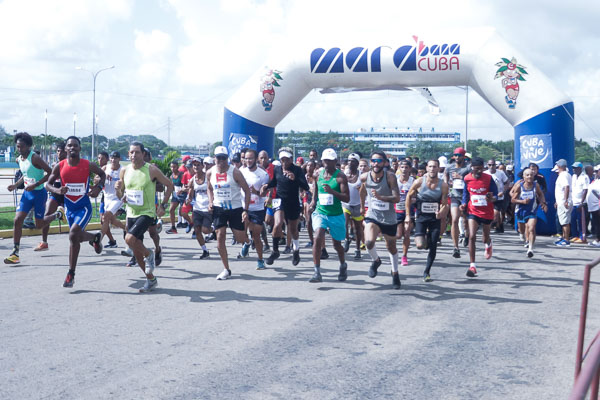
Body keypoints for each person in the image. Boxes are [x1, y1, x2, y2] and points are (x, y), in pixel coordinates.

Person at [45, 136, 106, 287]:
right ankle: (94, 238)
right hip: (69, 207)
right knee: (75, 238)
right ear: (66, 149)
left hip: (83, 207)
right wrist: (57, 190)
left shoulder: (88, 165)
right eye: (69, 146)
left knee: (73, 234)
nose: (72, 148)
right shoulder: (60, 166)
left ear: (79, 148)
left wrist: (98, 188)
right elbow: (48, 184)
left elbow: (102, 175)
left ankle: (70, 273)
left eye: (75, 146)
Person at [115, 142, 173, 292]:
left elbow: (170, 185)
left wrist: (163, 205)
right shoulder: (124, 171)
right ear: (128, 155)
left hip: (147, 213)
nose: (134, 155)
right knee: (136, 252)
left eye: (137, 152)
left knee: (129, 239)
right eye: (131, 153)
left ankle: (150, 253)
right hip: (131, 213)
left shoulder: (151, 170)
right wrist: (118, 192)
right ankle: (151, 280)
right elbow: (121, 194)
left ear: (143, 154)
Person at [5, 132, 52, 264]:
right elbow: (25, 175)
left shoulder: (35, 158)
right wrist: (15, 185)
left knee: (39, 225)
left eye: (22, 146)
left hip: (39, 194)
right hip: (27, 194)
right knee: (17, 220)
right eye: (18, 146)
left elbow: (50, 172)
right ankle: (15, 252)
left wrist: (36, 184)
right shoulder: (19, 159)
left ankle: (57, 215)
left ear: (28, 146)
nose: (19, 149)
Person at [206, 146, 252, 280]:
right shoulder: (210, 172)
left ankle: (247, 241)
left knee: (239, 239)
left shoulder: (235, 172)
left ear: (228, 158)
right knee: (220, 236)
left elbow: (247, 191)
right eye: (218, 158)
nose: (221, 160)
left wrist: (245, 210)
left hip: (235, 208)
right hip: (219, 208)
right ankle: (226, 269)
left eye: (224, 158)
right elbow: (209, 188)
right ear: (214, 158)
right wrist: (210, 201)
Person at [359, 151, 401, 289]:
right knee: (369, 242)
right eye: (373, 161)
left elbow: (397, 198)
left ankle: (395, 273)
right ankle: (376, 261)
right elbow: (362, 191)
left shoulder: (390, 177)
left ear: (384, 163)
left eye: (379, 161)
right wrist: (361, 207)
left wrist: (381, 197)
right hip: (373, 214)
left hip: (389, 217)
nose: (376, 164)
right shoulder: (365, 177)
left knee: (391, 247)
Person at [307, 148, 350, 282]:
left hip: (336, 214)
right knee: (318, 237)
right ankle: (316, 272)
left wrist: (332, 192)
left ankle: (343, 264)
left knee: (337, 245)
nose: (327, 163)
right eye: (325, 160)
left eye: (330, 161)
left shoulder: (340, 177)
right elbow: (315, 190)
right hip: (321, 212)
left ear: (335, 161)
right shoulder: (317, 175)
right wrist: (313, 202)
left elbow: (346, 198)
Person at [265, 147, 310, 266]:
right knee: (278, 223)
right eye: (282, 160)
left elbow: (305, 186)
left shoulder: (297, 170)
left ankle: (296, 250)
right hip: (279, 200)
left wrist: (295, 179)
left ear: (291, 159)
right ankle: (275, 251)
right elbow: (274, 182)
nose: (284, 162)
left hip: (293, 201)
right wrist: (266, 186)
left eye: (286, 159)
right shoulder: (277, 169)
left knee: (293, 229)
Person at [406, 159, 449, 282]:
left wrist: (441, 211)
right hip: (421, 217)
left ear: (438, 168)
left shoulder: (443, 185)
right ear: (426, 168)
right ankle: (426, 240)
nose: (432, 169)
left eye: (434, 167)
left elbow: (445, 204)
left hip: (435, 218)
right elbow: (409, 196)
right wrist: (408, 215)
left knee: (433, 245)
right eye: (430, 167)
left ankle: (427, 272)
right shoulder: (419, 182)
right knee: (420, 245)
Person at [460, 157, 498, 277]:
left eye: (481, 169)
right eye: (477, 169)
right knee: (471, 236)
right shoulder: (467, 178)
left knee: (484, 238)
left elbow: (496, 195)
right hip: (473, 211)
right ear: (472, 168)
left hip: (487, 211)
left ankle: (488, 243)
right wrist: (463, 203)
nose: (479, 172)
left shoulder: (488, 178)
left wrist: (491, 198)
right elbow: (466, 193)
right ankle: (472, 265)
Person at [239, 149, 270, 270]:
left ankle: (260, 260)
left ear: (256, 159)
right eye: (246, 158)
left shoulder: (263, 174)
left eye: (250, 158)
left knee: (256, 235)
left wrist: (256, 192)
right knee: (241, 234)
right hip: (243, 207)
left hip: (257, 208)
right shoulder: (240, 172)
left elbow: (265, 194)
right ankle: (246, 243)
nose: (248, 161)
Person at [36, 142, 68, 251]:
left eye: (63, 151)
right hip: (56, 191)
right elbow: (49, 178)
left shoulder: (70, 163)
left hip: (68, 193)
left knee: (72, 219)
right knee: (47, 214)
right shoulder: (55, 165)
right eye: (58, 151)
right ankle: (44, 242)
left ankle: (83, 238)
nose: (60, 153)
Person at [511, 168, 547, 257]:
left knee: (531, 228)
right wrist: (522, 202)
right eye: (527, 175)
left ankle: (530, 248)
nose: (529, 177)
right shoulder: (519, 186)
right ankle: (522, 234)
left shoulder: (536, 185)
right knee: (522, 229)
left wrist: (543, 203)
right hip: (520, 211)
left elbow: (541, 194)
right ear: (524, 176)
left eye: (531, 175)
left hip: (532, 210)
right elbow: (513, 199)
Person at [444, 147, 471, 259]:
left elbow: (472, 179)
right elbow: (445, 174)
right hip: (455, 196)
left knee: (466, 221)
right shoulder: (450, 167)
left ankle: (466, 235)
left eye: (459, 155)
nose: (457, 157)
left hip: (466, 196)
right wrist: (447, 184)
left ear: (464, 157)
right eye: (455, 155)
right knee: (454, 219)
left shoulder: (468, 167)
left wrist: (461, 177)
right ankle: (455, 247)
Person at [186, 157, 212, 259]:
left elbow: (213, 190)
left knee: (205, 230)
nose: (196, 167)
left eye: (198, 165)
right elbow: (191, 194)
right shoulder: (193, 179)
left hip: (207, 208)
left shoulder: (208, 177)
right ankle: (205, 250)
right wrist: (188, 199)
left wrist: (212, 202)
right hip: (197, 208)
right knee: (197, 230)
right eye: (194, 165)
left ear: (202, 166)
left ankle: (213, 229)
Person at [100, 151, 126, 247]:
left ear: (119, 159)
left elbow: (127, 184)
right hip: (107, 197)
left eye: (115, 158)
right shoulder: (105, 168)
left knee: (105, 217)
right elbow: (96, 180)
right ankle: (126, 228)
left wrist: (121, 186)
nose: (113, 160)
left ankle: (98, 240)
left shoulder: (123, 170)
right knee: (112, 221)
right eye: (112, 158)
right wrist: (101, 177)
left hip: (117, 198)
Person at [342, 153, 364, 260]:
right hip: (346, 203)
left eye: (353, 161)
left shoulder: (361, 175)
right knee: (344, 223)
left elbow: (366, 191)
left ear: (357, 163)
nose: (350, 163)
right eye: (349, 161)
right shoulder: (343, 174)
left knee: (357, 228)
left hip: (357, 205)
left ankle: (357, 249)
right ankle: (346, 240)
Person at [395, 159, 415, 266]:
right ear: (399, 168)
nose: (404, 170)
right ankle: (394, 252)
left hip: (409, 211)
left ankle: (404, 256)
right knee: (398, 235)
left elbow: (418, 195)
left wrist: (414, 200)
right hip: (397, 210)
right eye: (402, 167)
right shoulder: (395, 180)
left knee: (406, 234)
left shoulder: (413, 181)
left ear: (410, 169)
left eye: (406, 167)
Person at [485, 159, 509, 233]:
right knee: (491, 214)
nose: (491, 166)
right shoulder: (484, 173)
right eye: (489, 165)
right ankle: (499, 227)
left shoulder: (501, 173)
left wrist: (503, 192)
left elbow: (507, 183)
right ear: (487, 165)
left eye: (493, 165)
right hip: (488, 197)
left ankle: (495, 225)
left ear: (496, 165)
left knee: (496, 213)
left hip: (499, 196)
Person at [553, 159, 573, 247]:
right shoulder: (565, 175)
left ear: (559, 166)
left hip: (564, 202)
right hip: (561, 201)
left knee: (565, 221)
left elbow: (566, 187)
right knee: (563, 221)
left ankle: (566, 239)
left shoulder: (564, 175)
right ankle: (564, 238)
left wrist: (565, 200)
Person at [571, 162, 589, 243]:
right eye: (573, 168)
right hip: (574, 202)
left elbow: (585, 190)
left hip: (581, 203)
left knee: (581, 221)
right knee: (573, 219)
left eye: (575, 168)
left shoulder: (584, 177)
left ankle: (582, 237)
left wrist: (581, 202)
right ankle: (575, 236)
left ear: (580, 169)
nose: (574, 169)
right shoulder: (573, 176)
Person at [166, 161, 184, 234]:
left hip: (183, 195)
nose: (172, 168)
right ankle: (173, 227)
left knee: (182, 212)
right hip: (175, 195)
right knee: (171, 210)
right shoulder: (172, 175)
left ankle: (191, 224)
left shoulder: (181, 175)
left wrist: (181, 190)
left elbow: (184, 184)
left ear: (177, 167)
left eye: (174, 167)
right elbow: (172, 185)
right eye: (171, 167)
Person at [586, 167, 600, 247]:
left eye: (596, 171)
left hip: (597, 207)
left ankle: (598, 240)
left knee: (598, 224)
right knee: (596, 224)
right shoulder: (596, 181)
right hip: (593, 207)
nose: (595, 173)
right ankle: (598, 239)